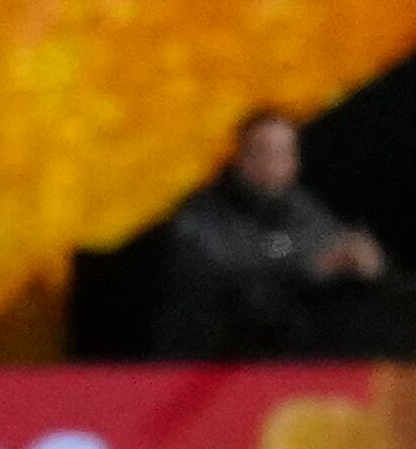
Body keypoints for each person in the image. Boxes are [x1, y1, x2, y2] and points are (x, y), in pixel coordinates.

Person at [155, 107, 388, 360]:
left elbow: (332, 249)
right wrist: (306, 268)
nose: (275, 162)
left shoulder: (305, 209)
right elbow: (231, 279)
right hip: (211, 364)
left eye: (284, 152)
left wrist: (363, 263)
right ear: (240, 158)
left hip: (293, 364)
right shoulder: (201, 216)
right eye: (264, 151)